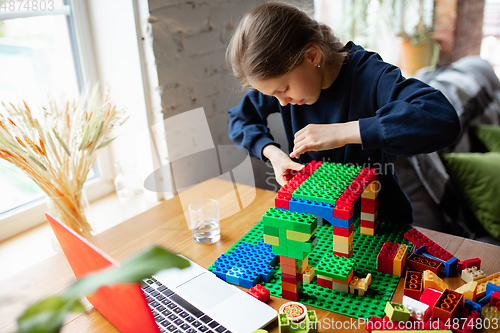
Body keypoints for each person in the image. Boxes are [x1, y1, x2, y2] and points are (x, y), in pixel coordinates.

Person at [226, 2, 461, 223]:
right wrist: (274, 155)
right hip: (318, 218)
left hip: (378, 221)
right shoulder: (282, 87)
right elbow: (240, 119)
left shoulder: (369, 75)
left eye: (284, 89)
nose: (283, 103)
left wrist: (346, 131)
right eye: (272, 96)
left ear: (312, 56)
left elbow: (441, 117)